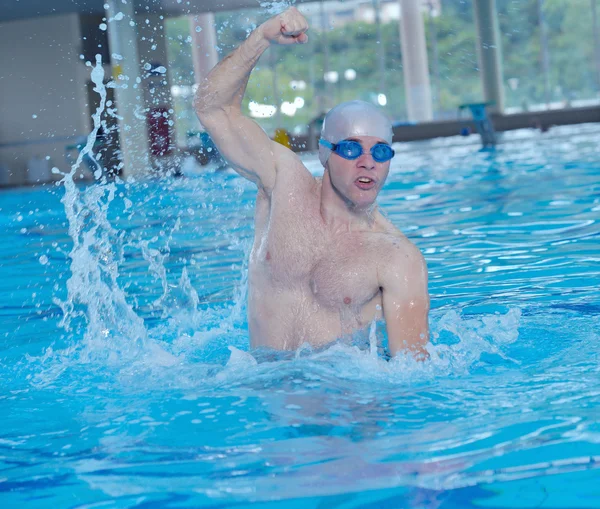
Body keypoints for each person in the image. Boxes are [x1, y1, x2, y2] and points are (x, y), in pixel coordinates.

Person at [194, 7, 429, 358]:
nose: (367, 162)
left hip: (339, 401)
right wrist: (260, 39)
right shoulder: (281, 182)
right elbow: (211, 108)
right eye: (351, 148)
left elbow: (413, 375)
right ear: (324, 153)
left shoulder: (397, 259)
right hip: (261, 391)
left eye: (381, 152)